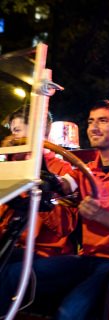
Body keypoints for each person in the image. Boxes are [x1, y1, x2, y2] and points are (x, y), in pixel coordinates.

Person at [0, 99, 109, 319]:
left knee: (68, 313)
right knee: (13, 274)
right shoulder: (86, 171)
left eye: (103, 120)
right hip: (86, 258)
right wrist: (36, 165)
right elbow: (61, 182)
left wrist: (101, 215)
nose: (93, 127)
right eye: (91, 121)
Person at [0, 106, 78, 260]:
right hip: (11, 247)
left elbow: (65, 226)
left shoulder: (62, 170)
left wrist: (41, 195)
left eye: (16, 131)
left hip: (43, 254)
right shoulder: (10, 166)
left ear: (38, 133)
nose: (12, 138)